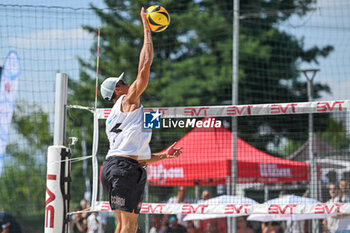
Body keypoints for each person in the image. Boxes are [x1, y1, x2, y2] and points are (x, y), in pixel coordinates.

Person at [100, 7, 183, 233]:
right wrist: (147, 30)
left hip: (115, 167)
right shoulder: (127, 100)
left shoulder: (118, 118)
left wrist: (165, 155)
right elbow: (144, 67)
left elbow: (139, 158)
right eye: (122, 82)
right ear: (117, 90)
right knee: (129, 227)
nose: (127, 83)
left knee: (124, 226)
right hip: (124, 169)